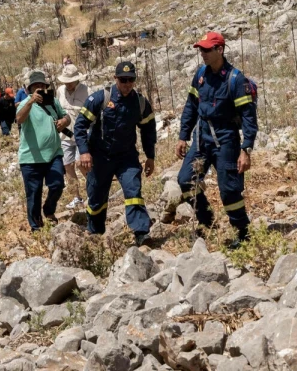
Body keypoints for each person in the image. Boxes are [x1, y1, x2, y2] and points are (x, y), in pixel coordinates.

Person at [176, 31, 258, 246]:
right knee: (185, 180)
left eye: (206, 49)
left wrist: (246, 149)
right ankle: (206, 222)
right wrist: (183, 136)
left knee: (230, 191)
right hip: (202, 139)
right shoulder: (200, 75)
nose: (202, 53)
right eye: (200, 49)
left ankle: (243, 234)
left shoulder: (235, 79)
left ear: (219, 50)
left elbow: (249, 116)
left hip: (226, 140)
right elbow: (191, 106)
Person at [75, 61, 157, 247]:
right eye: (123, 79)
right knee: (96, 197)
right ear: (115, 79)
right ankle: (95, 233)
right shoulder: (100, 98)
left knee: (133, 191)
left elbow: (148, 130)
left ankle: (141, 233)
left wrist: (150, 156)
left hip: (126, 157)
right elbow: (80, 125)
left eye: (131, 80)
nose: (127, 84)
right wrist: (85, 152)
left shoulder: (140, 103)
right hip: (100, 156)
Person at [16, 70, 71, 231]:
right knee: (33, 194)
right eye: (36, 86)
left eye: (42, 85)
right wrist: (30, 102)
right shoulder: (25, 103)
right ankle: (36, 226)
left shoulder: (53, 101)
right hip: (30, 158)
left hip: (54, 154)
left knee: (57, 184)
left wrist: (64, 121)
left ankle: (49, 210)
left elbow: (66, 116)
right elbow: (19, 119)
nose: (39, 88)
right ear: (30, 89)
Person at [55, 64, 90, 211]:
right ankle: (76, 197)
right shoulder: (60, 91)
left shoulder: (86, 91)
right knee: (67, 165)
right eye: (65, 81)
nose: (68, 84)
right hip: (65, 135)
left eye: (70, 81)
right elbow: (58, 110)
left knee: (81, 163)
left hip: (83, 134)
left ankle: (94, 191)